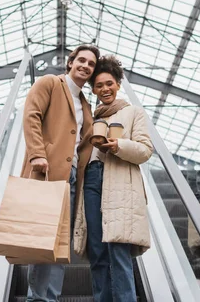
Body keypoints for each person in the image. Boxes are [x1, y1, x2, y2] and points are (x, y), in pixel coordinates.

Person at [20, 44, 100, 302]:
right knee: (44, 236)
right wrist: (37, 154)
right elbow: (31, 115)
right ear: (70, 62)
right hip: (47, 171)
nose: (86, 66)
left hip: (73, 177)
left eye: (91, 64)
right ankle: (38, 298)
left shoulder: (86, 105)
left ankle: (49, 298)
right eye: (82, 60)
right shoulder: (50, 83)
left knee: (60, 242)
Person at [73, 55, 153, 301]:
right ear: (93, 89)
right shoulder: (90, 115)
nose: (105, 89)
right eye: (98, 85)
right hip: (92, 181)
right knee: (97, 251)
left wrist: (118, 146)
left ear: (118, 83)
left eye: (109, 83)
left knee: (118, 249)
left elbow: (145, 150)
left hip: (119, 181)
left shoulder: (133, 113)